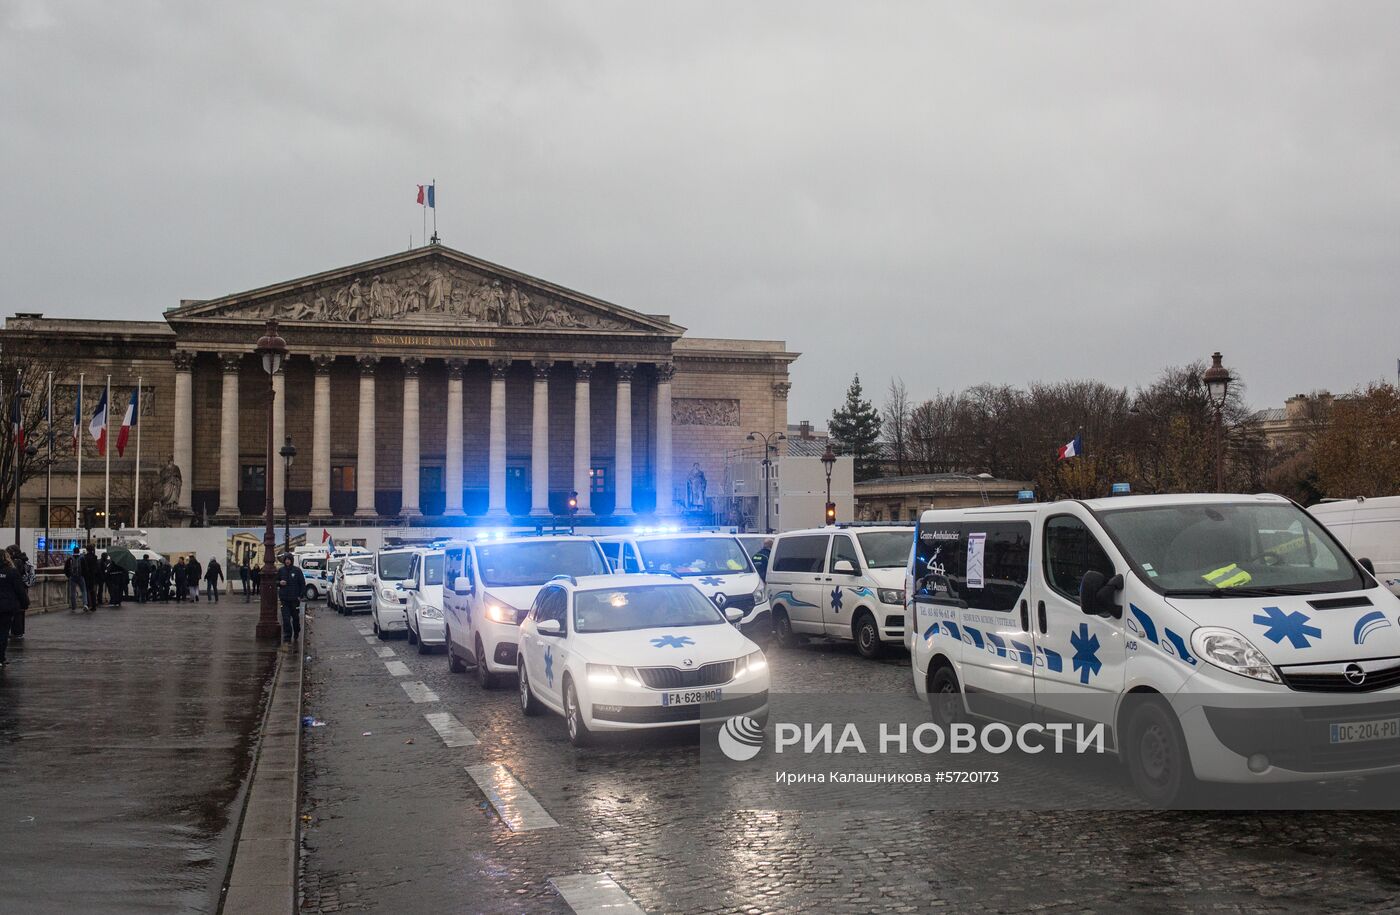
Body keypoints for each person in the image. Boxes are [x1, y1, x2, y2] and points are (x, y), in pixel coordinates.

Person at [0, 550, 29, 668]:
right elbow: (20, 590)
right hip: (6, 607)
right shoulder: (12, 572)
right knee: (3, 632)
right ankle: (1, 657)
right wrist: (25, 603)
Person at [276, 554, 305, 644]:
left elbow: (302, 583)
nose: (287, 561)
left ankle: (296, 631)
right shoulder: (281, 570)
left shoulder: (297, 571)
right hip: (284, 599)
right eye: (286, 559)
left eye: (289, 559)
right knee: (286, 619)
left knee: (295, 618)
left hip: (294, 599)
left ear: (291, 560)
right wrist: (280, 583)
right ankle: (287, 637)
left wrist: (300, 595)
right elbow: (275, 581)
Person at [65, 547, 87, 612]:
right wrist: (83, 575)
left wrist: (69, 576)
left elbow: (66, 569)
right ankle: (85, 604)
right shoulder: (82, 558)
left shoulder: (70, 559)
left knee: (73, 592)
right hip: (80, 577)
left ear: (73, 551)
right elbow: (85, 568)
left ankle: (74, 606)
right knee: (83, 591)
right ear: (79, 551)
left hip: (72, 577)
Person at [80, 544, 101, 612]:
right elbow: (97, 568)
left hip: (86, 576)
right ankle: (94, 606)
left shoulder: (85, 557)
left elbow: (82, 568)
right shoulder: (95, 557)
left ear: (87, 550)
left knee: (86, 591)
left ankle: (88, 604)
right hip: (93, 576)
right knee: (93, 591)